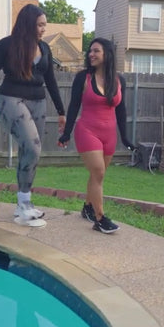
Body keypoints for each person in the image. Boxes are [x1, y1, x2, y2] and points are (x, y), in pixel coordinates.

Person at [0, 4, 66, 227]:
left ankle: (24, 203)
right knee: (33, 147)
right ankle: (23, 205)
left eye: (45, 25)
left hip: (38, 102)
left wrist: (62, 112)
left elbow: (52, 82)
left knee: (31, 153)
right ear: (28, 24)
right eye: (40, 25)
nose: (44, 29)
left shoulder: (45, 48)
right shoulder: (7, 45)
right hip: (11, 100)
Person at [58, 38, 133, 234]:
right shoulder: (83, 78)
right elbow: (74, 106)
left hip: (109, 135)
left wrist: (125, 138)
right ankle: (100, 218)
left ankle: (88, 207)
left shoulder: (119, 81)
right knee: (98, 172)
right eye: (90, 51)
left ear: (106, 54)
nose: (91, 54)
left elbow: (121, 111)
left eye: (96, 51)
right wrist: (66, 133)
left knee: (97, 175)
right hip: (87, 131)